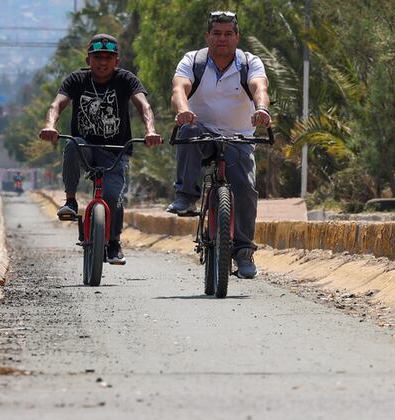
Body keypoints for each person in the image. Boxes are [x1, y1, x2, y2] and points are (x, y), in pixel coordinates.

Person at [39, 33, 162, 265]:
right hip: (86, 147)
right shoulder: (76, 80)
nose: (102, 62)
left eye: (108, 57)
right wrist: (49, 125)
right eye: (97, 57)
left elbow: (144, 106)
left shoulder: (126, 80)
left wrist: (150, 131)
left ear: (117, 61)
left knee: (113, 197)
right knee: (73, 145)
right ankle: (71, 201)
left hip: (115, 150)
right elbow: (56, 105)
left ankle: (114, 243)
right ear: (88, 60)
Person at [168, 10, 271, 279]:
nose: (222, 39)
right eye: (216, 33)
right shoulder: (193, 60)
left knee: (246, 190)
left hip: (239, 138)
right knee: (187, 131)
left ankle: (244, 251)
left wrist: (261, 109)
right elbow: (180, 89)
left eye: (228, 34)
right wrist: (182, 110)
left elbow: (260, 87)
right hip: (203, 134)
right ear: (208, 36)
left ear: (237, 37)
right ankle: (186, 196)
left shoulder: (249, 63)